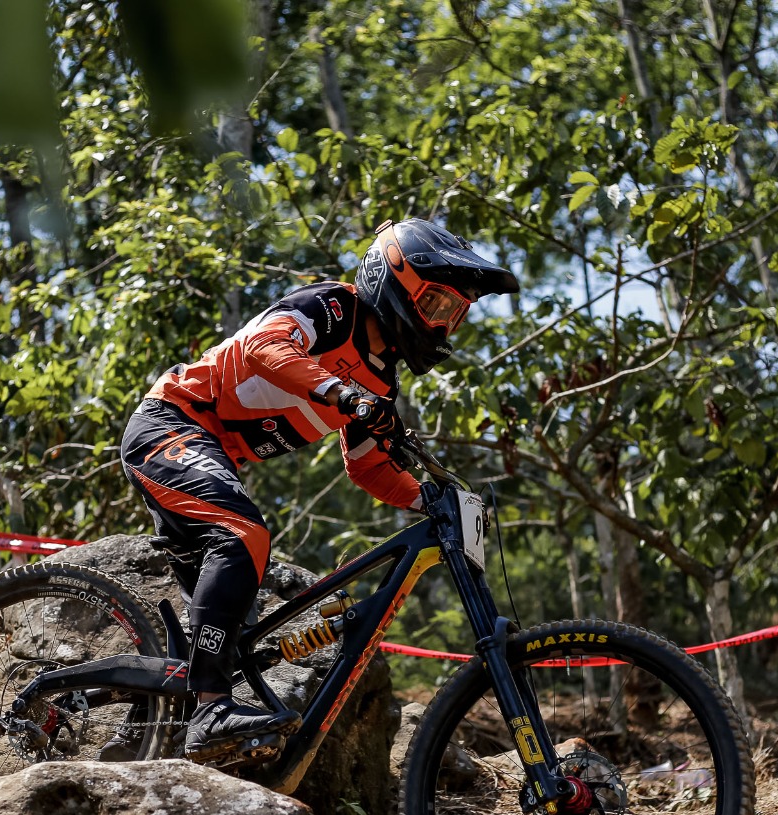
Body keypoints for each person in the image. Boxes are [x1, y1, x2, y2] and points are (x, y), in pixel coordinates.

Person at [103, 217, 519, 764]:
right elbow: (263, 348)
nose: (444, 327)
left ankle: (142, 732)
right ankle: (209, 710)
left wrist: (425, 497)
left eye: (455, 316)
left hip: (210, 451)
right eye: (439, 307)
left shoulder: (381, 380)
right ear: (397, 281)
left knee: (229, 630)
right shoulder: (331, 308)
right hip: (171, 423)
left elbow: (367, 467)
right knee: (242, 534)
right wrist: (338, 391)